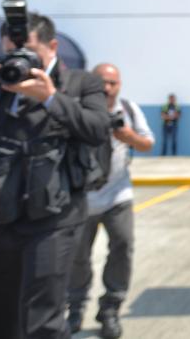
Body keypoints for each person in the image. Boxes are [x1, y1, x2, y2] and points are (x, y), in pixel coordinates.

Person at [0, 12, 110, 338]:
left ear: (52, 47)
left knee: (43, 318)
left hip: (54, 215)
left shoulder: (81, 82)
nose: (18, 61)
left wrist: (50, 98)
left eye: (28, 52)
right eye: (10, 53)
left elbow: (97, 130)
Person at [68, 63, 154, 339]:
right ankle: (75, 308)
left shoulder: (128, 110)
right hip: (81, 198)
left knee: (123, 246)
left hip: (118, 194)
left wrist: (129, 137)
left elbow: (147, 143)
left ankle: (110, 309)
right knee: (77, 257)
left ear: (120, 85)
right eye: (101, 81)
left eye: (112, 83)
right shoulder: (76, 108)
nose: (106, 88)